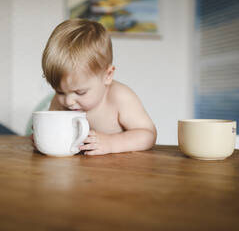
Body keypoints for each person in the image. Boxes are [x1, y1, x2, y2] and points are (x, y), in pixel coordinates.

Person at [37, 18, 156, 155]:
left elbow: (148, 134)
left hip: (117, 171)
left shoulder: (120, 97)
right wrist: (44, 140)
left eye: (80, 92)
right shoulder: (60, 101)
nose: (68, 102)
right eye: (60, 92)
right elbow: (54, 130)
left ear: (108, 75)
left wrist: (111, 143)